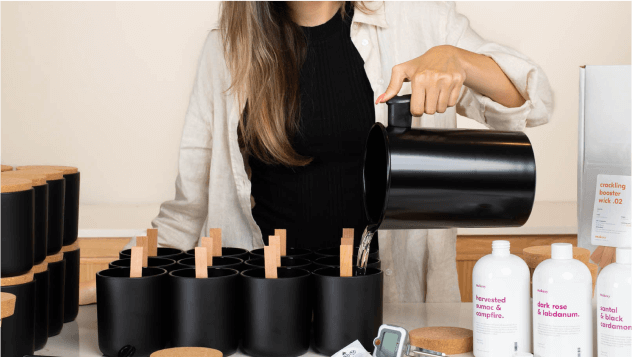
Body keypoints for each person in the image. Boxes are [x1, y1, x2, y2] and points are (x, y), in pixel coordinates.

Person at [148, 1, 553, 303]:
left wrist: (460, 60)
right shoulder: (225, 49)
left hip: (388, 308)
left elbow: (533, 103)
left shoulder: (417, 23)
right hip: (264, 310)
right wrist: (122, 284)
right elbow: (188, 208)